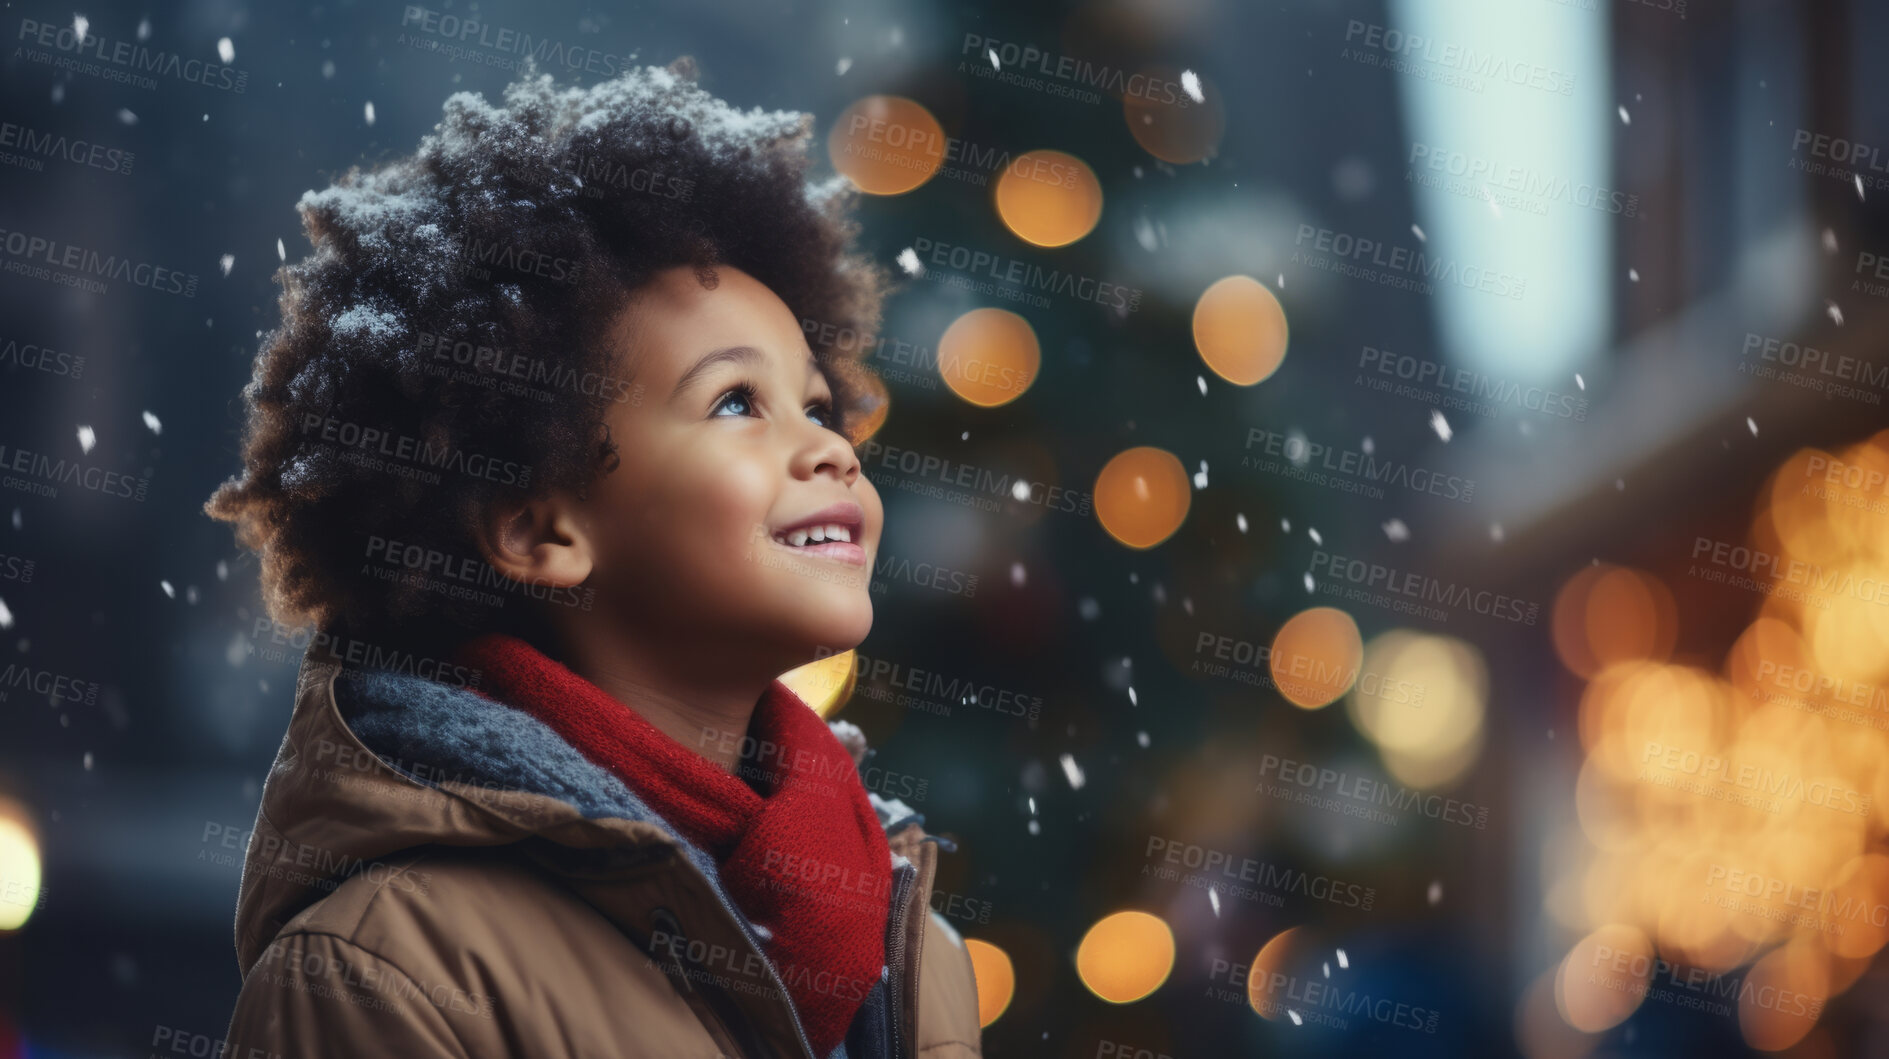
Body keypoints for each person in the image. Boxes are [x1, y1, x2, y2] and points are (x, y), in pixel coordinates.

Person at [205, 55, 981, 1058]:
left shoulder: (924, 965)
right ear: (541, 530)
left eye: (819, 405)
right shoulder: (389, 973)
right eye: (735, 402)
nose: (830, 447)